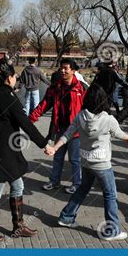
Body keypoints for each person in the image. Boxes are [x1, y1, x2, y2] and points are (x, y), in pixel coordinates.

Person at [46, 84, 128, 241]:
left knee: (82, 189)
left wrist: (55, 147)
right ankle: (112, 230)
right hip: (102, 165)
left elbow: (67, 135)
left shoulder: (80, 116)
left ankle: (66, 217)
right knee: (110, 195)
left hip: (85, 162)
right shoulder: (108, 119)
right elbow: (119, 133)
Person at [0, 63, 47, 242]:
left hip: (2, 151)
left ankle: (18, 225)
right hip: (4, 153)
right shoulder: (9, 98)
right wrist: (43, 144)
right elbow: (26, 124)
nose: (16, 79)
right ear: (9, 78)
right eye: (15, 76)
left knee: (18, 186)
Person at [29, 58, 86, 194]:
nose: (63, 70)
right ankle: (54, 181)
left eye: (66, 68)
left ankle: (77, 184)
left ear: (73, 71)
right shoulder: (55, 87)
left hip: (76, 131)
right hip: (60, 128)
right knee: (58, 156)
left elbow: (90, 107)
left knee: (74, 159)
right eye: (61, 68)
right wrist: (30, 119)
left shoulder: (81, 88)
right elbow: (44, 104)